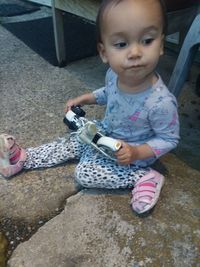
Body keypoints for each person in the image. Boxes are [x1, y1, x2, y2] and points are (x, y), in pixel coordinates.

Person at [0, 0, 179, 214]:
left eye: (147, 40)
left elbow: (168, 139)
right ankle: (25, 158)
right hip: (106, 133)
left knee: (85, 173)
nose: (135, 52)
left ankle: (144, 177)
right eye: (121, 44)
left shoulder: (161, 103)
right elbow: (108, 92)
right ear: (104, 52)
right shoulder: (114, 74)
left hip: (129, 154)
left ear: (161, 44)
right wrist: (84, 98)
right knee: (75, 138)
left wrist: (137, 152)